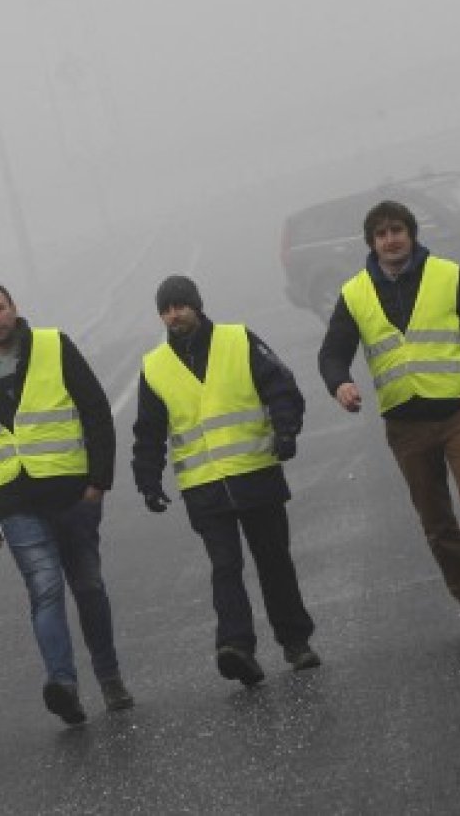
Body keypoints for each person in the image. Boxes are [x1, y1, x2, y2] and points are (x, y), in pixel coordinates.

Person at [317, 200, 460, 634]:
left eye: (397, 230)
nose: (391, 240)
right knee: (437, 522)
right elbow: (332, 353)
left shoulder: (447, 275)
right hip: (406, 426)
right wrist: (340, 384)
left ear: (411, 234)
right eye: (381, 234)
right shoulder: (355, 293)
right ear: (372, 242)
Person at [0, 282, 133, 726]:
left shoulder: (54, 346)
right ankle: (63, 686)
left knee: (88, 586)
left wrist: (99, 480)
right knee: (45, 587)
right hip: (15, 502)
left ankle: (110, 678)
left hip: (72, 493)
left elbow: (95, 410)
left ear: (14, 308)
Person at [132, 275, 320, 687]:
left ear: (197, 306)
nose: (174, 315)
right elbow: (148, 430)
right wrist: (147, 480)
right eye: (166, 309)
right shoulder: (155, 367)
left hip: (256, 472)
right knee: (225, 566)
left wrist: (286, 430)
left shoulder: (238, 340)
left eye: (180, 306)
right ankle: (236, 647)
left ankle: (295, 642)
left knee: (273, 561)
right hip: (203, 486)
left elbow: (281, 388)